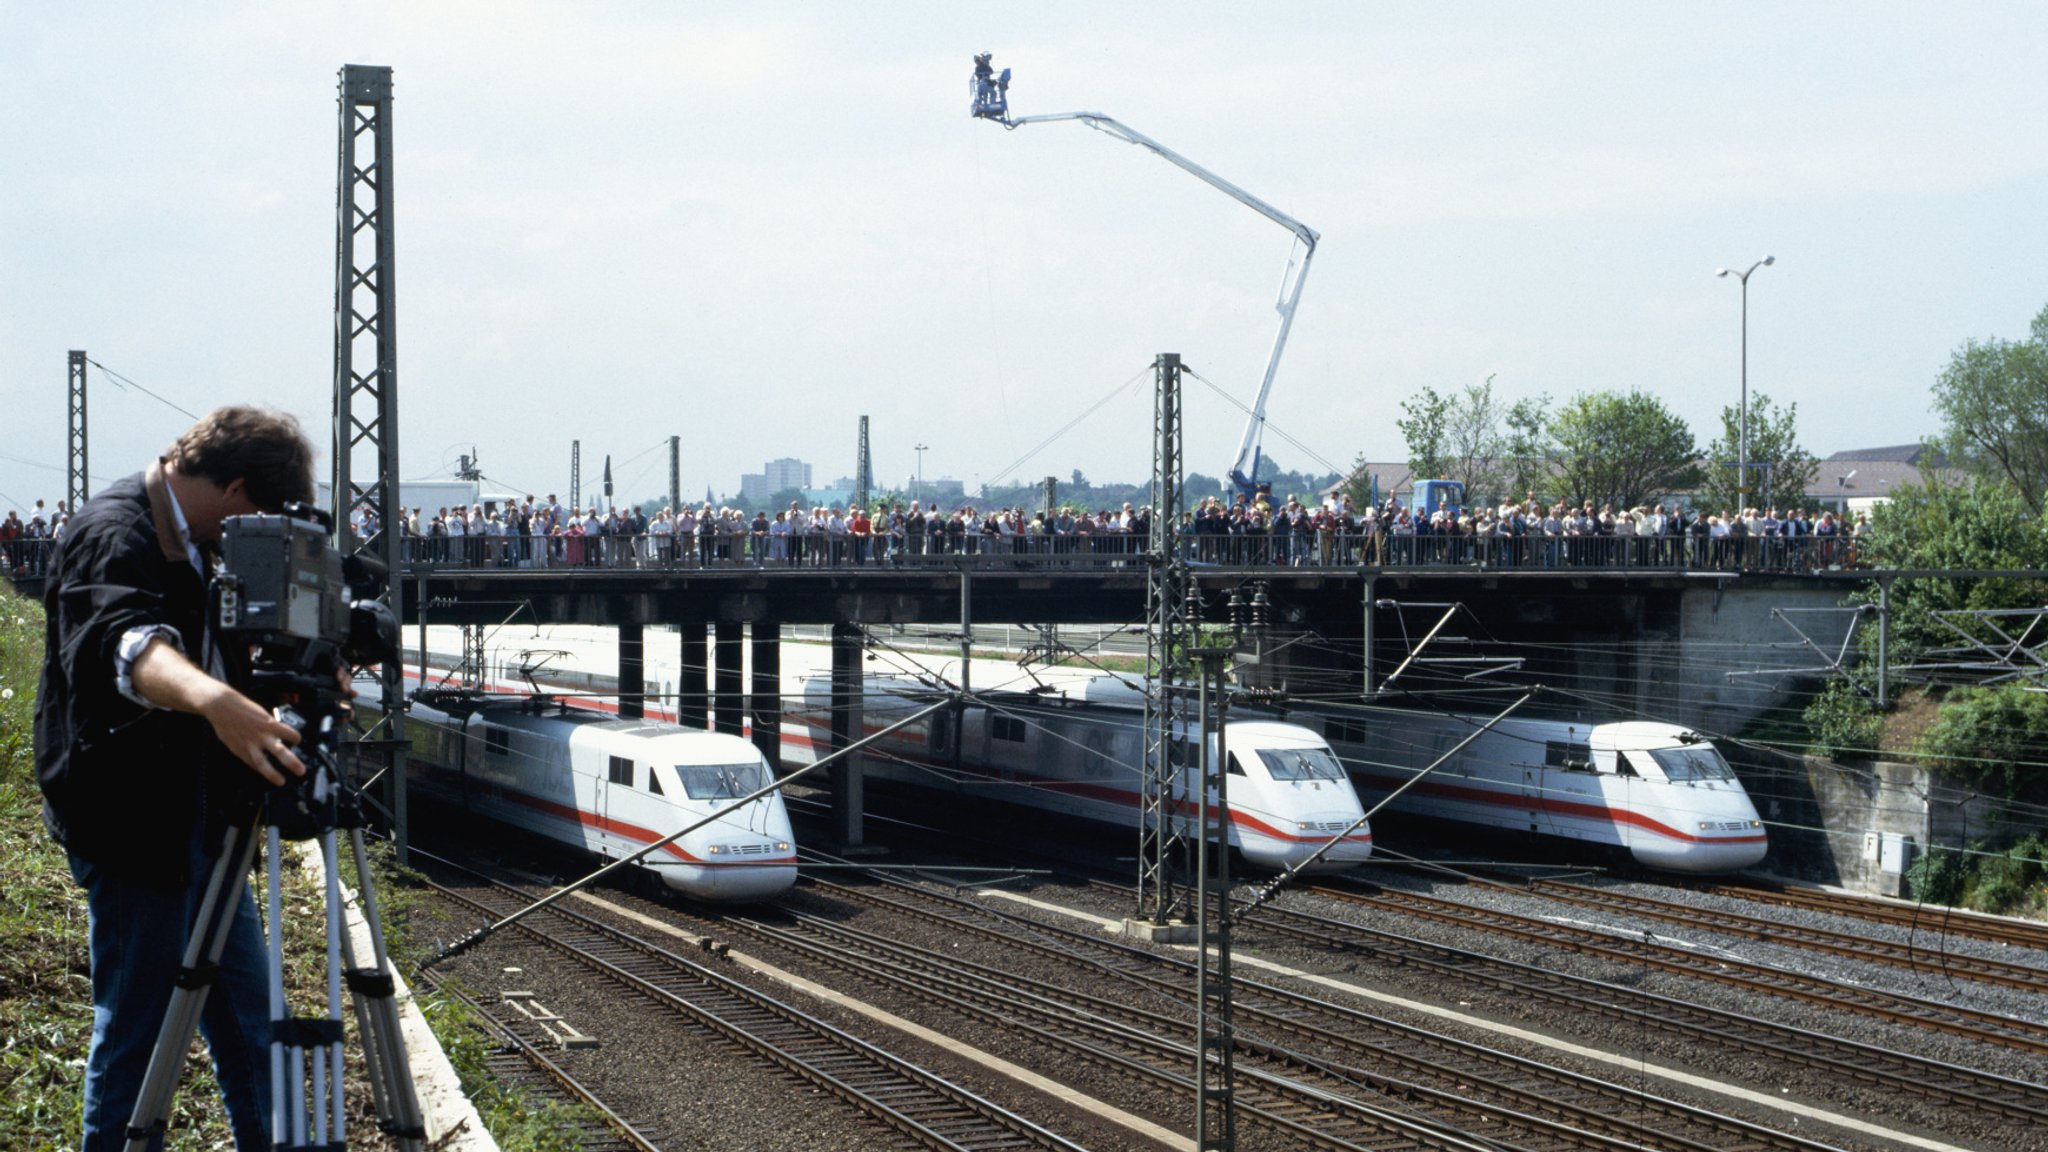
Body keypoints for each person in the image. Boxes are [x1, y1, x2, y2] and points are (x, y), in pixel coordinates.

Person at [35, 406, 319, 1151]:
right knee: (139, 1034)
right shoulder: (115, 532)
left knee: (248, 1024)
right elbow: (125, 643)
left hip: (202, 818)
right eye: (255, 517)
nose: (256, 537)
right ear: (232, 489)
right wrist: (217, 702)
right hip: (131, 823)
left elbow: (226, 655)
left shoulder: (198, 544)